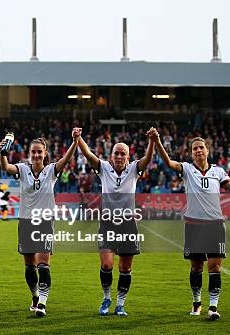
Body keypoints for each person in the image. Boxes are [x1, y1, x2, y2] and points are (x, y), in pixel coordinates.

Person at [151, 132, 230, 320]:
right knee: (196, 268)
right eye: (195, 148)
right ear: (191, 153)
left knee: (215, 267)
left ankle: (213, 307)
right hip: (194, 225)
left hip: (215, 225)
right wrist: (157, 142)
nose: (198, 151)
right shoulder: (187, 169)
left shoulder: (218, 171)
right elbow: (168, 163)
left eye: (201, 147)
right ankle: (197, 303)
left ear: (207, 150)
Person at [76, 127, 155, 317]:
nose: (119, 157)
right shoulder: (103, 168)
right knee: (107, 265)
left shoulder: (134, 169)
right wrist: (78, 138)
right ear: (111, 156)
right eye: (116, 153)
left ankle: (120, 304)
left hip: (128, 225)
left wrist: (152, 141)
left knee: (125, 268)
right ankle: (106, 298)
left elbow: (147, 159)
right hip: (107, 224)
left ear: (128, 157)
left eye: (123, 154)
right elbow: (88, 154)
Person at [0, 131, 78, 317]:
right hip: (26, 221)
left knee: (43, 264)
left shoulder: (51, 171)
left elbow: (65, 160)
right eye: (33, 151)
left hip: (45, 222)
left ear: (45, 153)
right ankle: (34, 296)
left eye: (39, 152)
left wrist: (74, 142)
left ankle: (42, 303)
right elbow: (5, 167)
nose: (36, 155)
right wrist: (2, 151)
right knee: (29, 266)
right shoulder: (22, 169)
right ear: (29, 153)